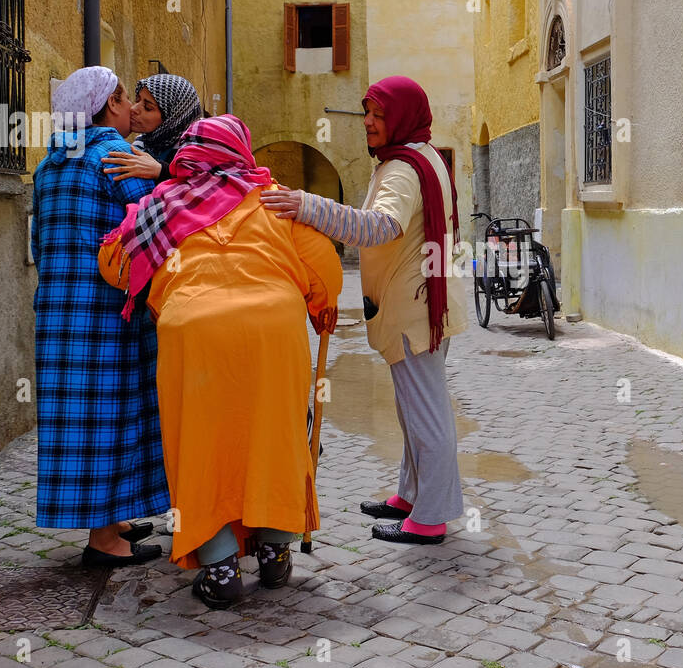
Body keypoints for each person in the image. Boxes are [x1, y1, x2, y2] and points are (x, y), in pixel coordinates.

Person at [99, 114, 342, 608]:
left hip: (193, 332)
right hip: (274, 331)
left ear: (187, 156)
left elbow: (116, 263)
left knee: (202, 448)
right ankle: (275, 552)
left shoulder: (161, 204)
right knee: (276, 439)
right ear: (241, 150)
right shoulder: (273, 197)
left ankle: (220, 565)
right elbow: (326, 271)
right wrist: (318, 304)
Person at [262, 75, 467, 546]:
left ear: (400, 117)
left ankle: (431, 515)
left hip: (412, 308)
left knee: (426, 411)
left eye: (379, 115)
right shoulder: (419, 155)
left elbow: (381, 227)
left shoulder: (401, 168)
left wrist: (307, 206)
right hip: (424, 303)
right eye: (367, 113)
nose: (369, 123)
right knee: (413, 407)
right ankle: (411, 496)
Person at [31, 66, 170, 567]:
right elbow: (152, 227)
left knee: (79, 422)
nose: (130, 106)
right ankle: (103, 540)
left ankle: (114, 519)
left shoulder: (49, 166)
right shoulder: (115, 157)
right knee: (114, 418)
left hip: (58, 314)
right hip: (111, 315)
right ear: (108, 105)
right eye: (122, 96)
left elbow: (38, 242)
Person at [101, 73, 203, 184]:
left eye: (148, 108)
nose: (134, 109)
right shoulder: (141, 144)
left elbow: (201, 187)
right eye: (137, 100)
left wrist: (161, 171)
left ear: (173, 119)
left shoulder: (197, 149)